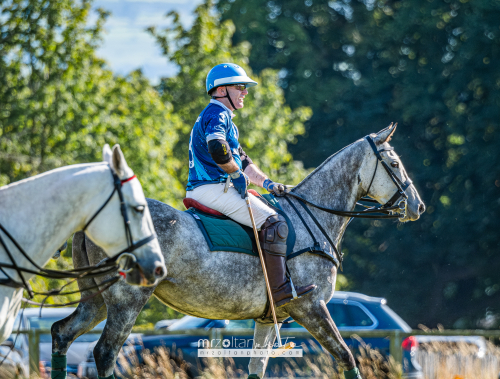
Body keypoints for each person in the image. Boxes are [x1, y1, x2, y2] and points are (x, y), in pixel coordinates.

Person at [186, 63, 316, 308]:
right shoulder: (218, 113)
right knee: (275, 223)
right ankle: (280, 291)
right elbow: (217, 148)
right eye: (240, 86)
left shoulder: (224, 119)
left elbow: (244, 161)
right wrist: (234, 174)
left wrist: (268, 183)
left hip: (212, 187)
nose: (245, 91)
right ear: (221, 90)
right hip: (212, 187)